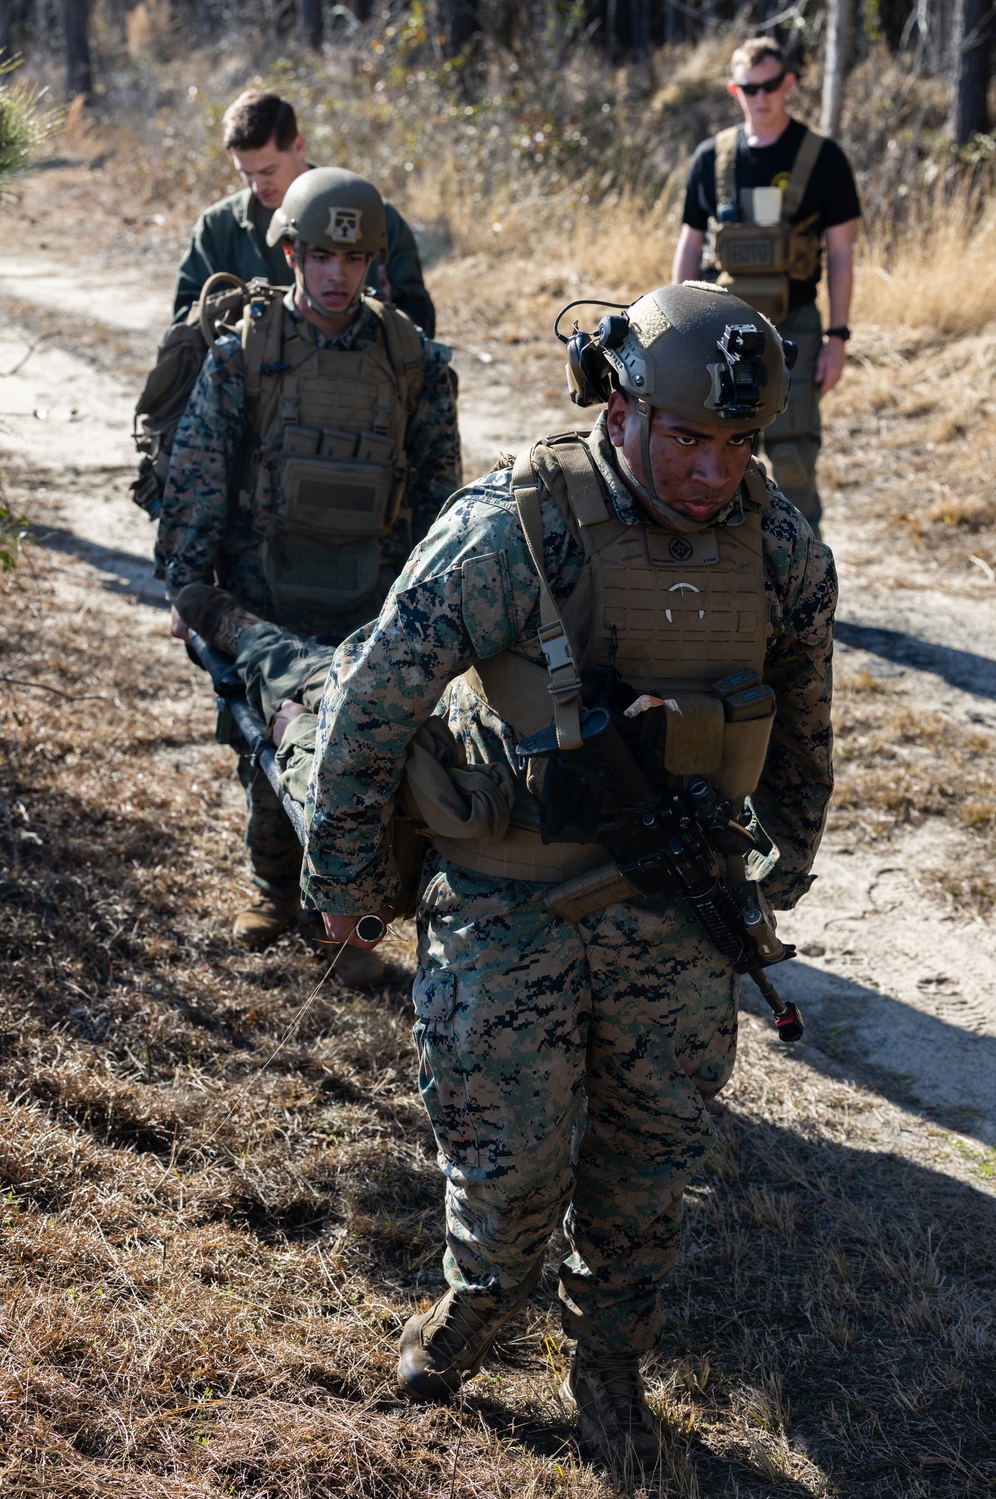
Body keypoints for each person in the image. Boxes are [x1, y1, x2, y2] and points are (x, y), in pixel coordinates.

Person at [288, 282, 836, 1471]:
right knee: (508, 1157)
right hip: (508, 898)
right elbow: (376, 696)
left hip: (677, 904)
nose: (711, 470)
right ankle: (478, 1304)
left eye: (738, 442)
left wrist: (791, 845)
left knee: (650, 1162)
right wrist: (339, 873)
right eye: (688, 437)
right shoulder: (514, 528)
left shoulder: (776, 540)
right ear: (622, 404)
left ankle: (607, 1361)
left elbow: (801, 705)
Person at [155, 167, 462, 970]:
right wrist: (189, 581)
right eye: (321, 255)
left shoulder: (410, 358)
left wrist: (438, 602)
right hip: (264, 588)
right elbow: (200, 469)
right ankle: (274, 890)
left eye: (354, 260)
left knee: (368, 755)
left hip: (373, 590)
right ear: (290, 251)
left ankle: (346, 915)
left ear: (373, 264)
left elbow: (437, 485)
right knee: (268, 749)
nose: (337, 274)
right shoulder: (248, 350)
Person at [672, 37, 861, 536]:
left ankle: (805, 590)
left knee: (794, 458)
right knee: (713, 456)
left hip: (794, 325)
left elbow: (841, 252)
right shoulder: (712, 158)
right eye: (750, 87)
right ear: (736, 90)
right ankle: (724, 582)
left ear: (789, 85)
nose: (761, 97)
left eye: (771, 85)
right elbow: (690, 246)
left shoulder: (823, 159)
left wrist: (838, 337)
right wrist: (673, 326)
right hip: (717, 330)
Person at [174, 90, 436, 337]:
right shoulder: (218, 227)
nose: (257, 185)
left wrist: (384, 317)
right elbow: (186, 320)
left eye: (267, 171)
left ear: (298, 146)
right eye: (246, 173)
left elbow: (420, 320)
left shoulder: (369, 213)